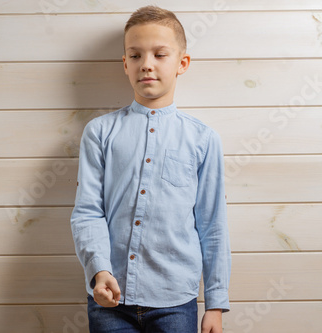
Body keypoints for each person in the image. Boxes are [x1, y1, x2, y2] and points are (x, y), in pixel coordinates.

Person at [70, 6, 231, 333]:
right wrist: (99, 270)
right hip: (109, 299)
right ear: (125, 64)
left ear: (182, 63)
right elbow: (87, 212)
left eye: (160, 54)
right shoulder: (99, 133)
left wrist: (215, 303)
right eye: (136, 55)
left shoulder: (203, 139)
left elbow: (212, 224)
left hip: (175, 300)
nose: (147, 64)